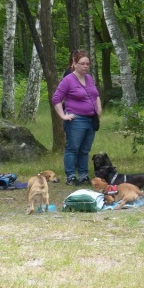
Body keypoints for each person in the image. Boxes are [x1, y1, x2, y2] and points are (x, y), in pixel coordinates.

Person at [52, 50, 102, 186]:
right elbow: (56, 99)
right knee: (73, 148)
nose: (85, 66)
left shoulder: (89, 78)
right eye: (82, 64)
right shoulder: (68, 80)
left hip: (91, 119)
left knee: (85, 149)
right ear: (74, 63)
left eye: (87, 64)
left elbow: (95, 95)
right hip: (76, 119)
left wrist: (99, 108)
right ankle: (71, 176)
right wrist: (63, 115)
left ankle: (84, 175)